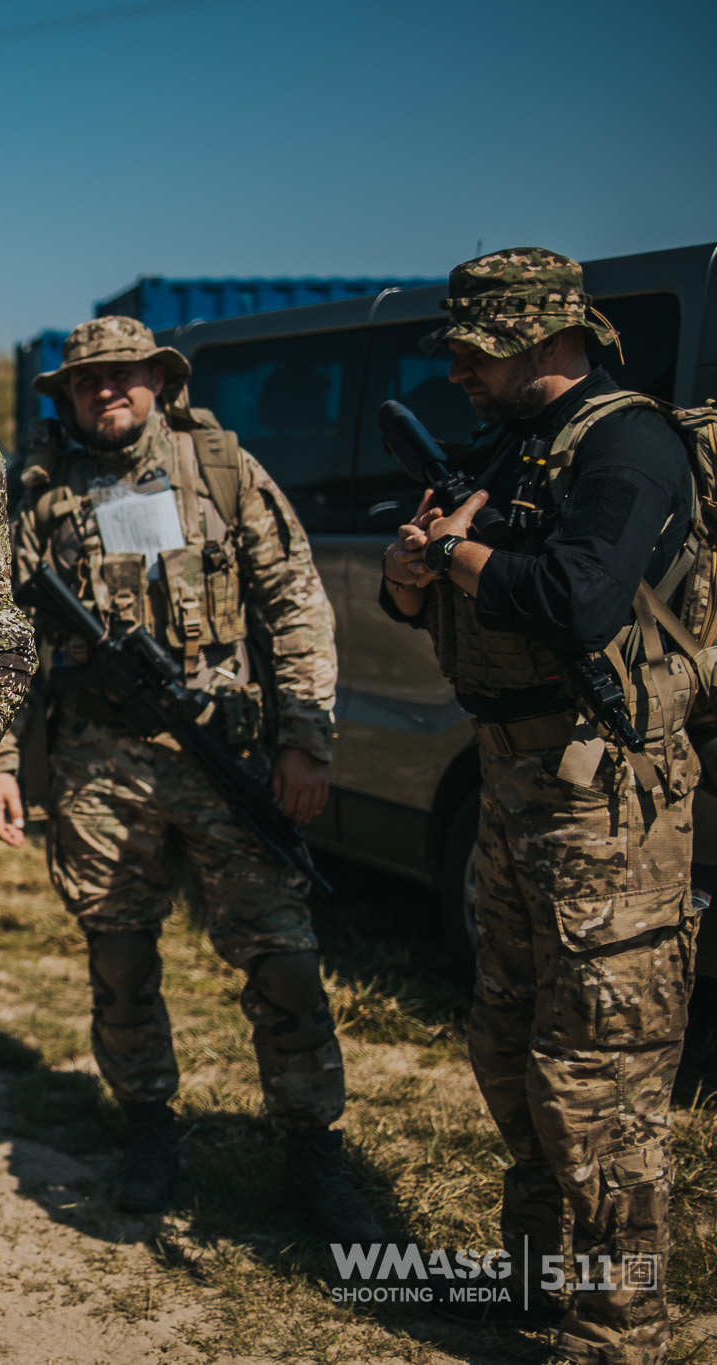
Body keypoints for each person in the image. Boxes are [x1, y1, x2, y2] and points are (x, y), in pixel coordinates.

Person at [0, 316, 378, 1243]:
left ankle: (313, 1151)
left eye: (124, 374)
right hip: (97, 763)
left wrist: (306, 741)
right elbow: (3, 642)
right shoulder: (41, 494)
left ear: (160, 381)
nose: (105, 391)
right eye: (86, 381)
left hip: (221, 753)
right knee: (120, 959)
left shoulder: (222, 471)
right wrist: (0, 761)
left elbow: (296, 604)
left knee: (283, 959)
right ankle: (148, 1128)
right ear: (68, 397)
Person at [381, 248, 699, 1365]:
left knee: (599, 1076)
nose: (456, 372)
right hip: (512, 784)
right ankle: (533, 1283)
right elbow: (453, 587)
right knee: (509, 1046)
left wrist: (455, 551)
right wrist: (411, 577)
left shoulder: (626, 444)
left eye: (474, 350)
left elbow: (576, 597)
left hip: (602, 800)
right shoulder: (512, 444)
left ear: (547, 338)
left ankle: (616, 1329)